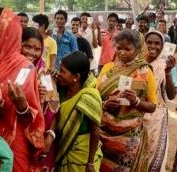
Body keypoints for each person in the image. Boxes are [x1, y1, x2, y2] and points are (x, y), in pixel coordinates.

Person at [0, 7, 45, 172]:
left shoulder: (25, 67)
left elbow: (33, 115)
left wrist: (21, 106)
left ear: (2, 29)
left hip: (14, 138)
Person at [97, 29, 157, 171]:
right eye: (119, 48)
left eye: (127, 49)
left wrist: (136, 101)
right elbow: (96, 97)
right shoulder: (107, 69)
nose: (122, 52)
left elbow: (152, 106)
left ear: (137, 50)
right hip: (103, 133)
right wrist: (105, 104)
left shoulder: (145, 72)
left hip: (129, 138)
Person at [50, 51, 103, 171]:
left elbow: (95, 130)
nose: (60, 73)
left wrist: (90, 163)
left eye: (63, 71)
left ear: (76, 77)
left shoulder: (90, 96)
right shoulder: (60, 89)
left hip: (83, 156)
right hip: (63, 150)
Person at [21, 27, 60, 171]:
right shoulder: (14, 72)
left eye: (37, 49)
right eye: (27, 46)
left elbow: (53, 108)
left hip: (42, 140)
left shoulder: (44, 75)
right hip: (18, 137)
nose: (32, 53)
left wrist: (50, 135)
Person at [144, 30, 176, 171]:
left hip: (156, 118)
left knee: (154, 159)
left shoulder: (165, 65)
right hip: (137, 116)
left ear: (163, 46)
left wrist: (168, 72)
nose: (153, 46)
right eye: (149, 42)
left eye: (157, 43)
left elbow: (170, 95)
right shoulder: (136, 63)